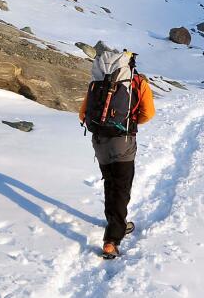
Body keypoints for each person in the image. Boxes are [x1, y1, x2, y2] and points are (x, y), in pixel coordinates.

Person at [80, 50, 155, 259]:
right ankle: (112, 240)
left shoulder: (97, 81)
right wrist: (128, 124)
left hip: (99, 142)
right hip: (123, 142)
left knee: (110, 182)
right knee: (121, 188)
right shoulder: (137, 82)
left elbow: (82, 113)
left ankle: (116, 222)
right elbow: (148, 113)